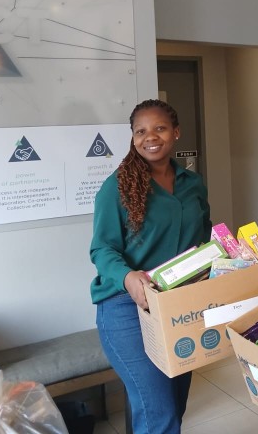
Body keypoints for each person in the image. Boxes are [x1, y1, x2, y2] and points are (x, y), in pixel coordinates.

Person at [90, 99, 211, 434]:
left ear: (176, 132)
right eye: (140, 131)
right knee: (159, 413)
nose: (150, 137)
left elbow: (203, 237)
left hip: (176, 305)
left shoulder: (192, 183)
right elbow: (101, 249)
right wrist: (128, 277)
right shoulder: (116, 187)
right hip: (125, 306)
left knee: (174, 404)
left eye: (159, 128)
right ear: (133, 138)